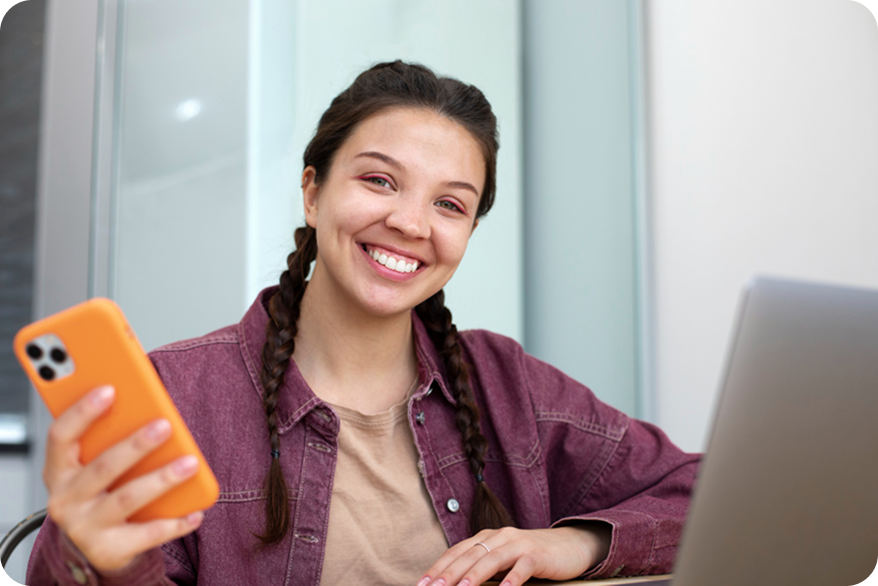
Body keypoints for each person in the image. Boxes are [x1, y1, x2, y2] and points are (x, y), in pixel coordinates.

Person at [27, 60, 699, 586]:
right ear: (313, 191)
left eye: (449, 204)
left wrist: (574, 543)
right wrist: (93, 558)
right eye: (380, 181)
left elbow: (704, 494)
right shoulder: (178, 396)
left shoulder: (507, 384)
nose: (410, 223)